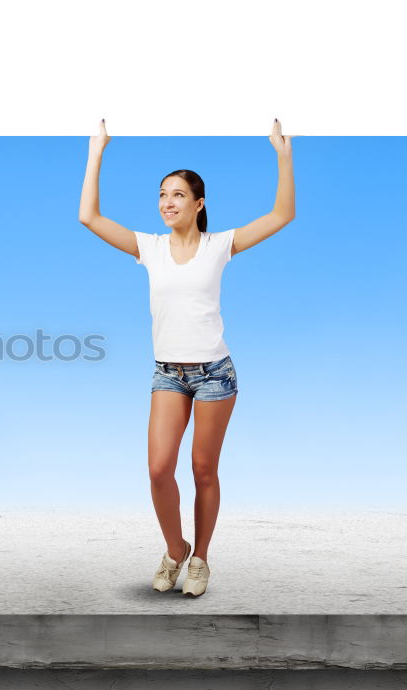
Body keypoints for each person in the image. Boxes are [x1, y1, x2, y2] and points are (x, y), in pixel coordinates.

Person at [78, 118, 295, 596]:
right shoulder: (148, 249)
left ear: (198, 204)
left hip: (215, 374)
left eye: (176, 195)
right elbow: (89, 218)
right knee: (159, 469)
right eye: (161, 196)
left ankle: (201, 559)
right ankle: (175, 549)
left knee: (202, 470)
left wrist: (283, 154)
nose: (166, 204)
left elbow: (282, 216)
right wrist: (97, 151)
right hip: (168, 374)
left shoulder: (220, 245)